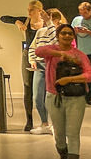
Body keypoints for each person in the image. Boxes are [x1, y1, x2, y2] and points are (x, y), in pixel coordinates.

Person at [36, 24, 91, 159]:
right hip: (54, 97)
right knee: (60, 135)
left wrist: (69, 79)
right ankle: (64, 157)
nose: (67, 36)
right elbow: (38, 51)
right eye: (64, 33)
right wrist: (61, 54)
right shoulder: (51, 52)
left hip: (75, 98)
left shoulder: (80, 55)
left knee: (73, 133)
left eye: (70, 34)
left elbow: (90, 74)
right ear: (58, 35)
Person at [27, 8, 66, 136]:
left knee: (53, 97)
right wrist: (32, 59)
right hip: (40, 66)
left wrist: (49, 23)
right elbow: (33, 47)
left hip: (54, 67)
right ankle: (45, 124)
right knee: (37, 97)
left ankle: (56, 125)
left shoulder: (60, 32)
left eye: (48, 18)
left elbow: (56, 43)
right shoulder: (40, 32)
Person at [13, 0, 45, 131]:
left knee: (44, 88)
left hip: (43, 55)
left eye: (31, 10)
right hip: (28, 55)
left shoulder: (45, 23)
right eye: (28, 10)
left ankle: (45, 120)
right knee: (27, 86)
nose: (29, 12)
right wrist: (16, 22)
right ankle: (29, 120)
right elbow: (4, 18)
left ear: (39, 10)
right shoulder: (26, 21)